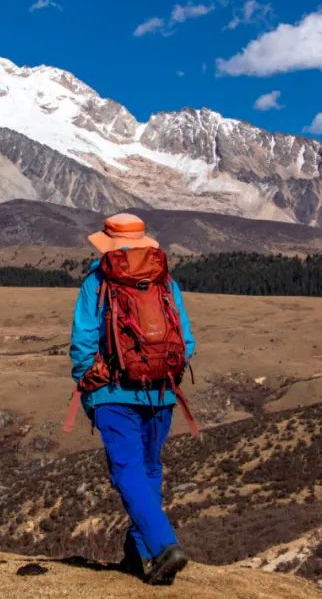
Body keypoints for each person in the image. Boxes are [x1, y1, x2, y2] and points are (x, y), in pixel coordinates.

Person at [68, 213, 195, 585]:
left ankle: (163, 546)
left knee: (127, 472)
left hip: (113, 392)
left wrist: (88, 387)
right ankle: (140, 555)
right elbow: (185, 341)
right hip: (162, 391)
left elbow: (83, 343)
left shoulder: (97, 282)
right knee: (149, 469)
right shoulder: (166, 282)